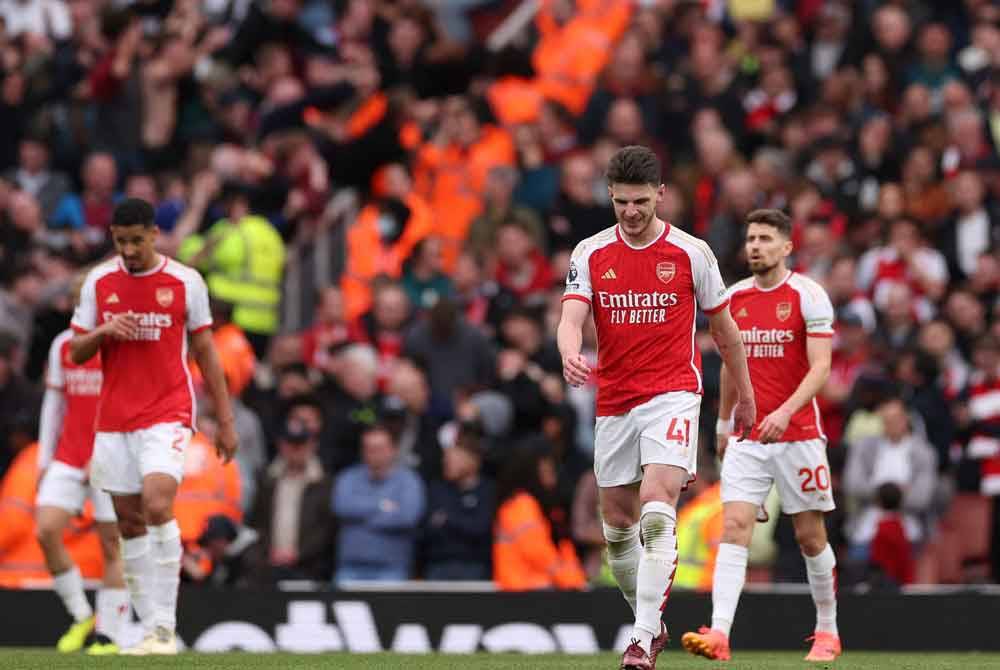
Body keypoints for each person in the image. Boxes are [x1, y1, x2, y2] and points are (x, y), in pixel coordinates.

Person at [558, 145, 755, 669]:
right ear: (610, 196)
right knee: (617, 531)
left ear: (661, 195)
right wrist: (568, 350)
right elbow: (572, 316)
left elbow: (726, 331)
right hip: (614, 401)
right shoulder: (590, 253)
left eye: (641, 201)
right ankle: (653, 622)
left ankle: (642, 638)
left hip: (672, 393)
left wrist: (746, 396)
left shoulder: (693, 253)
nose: (631, 212)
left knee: (656, 505)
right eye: (622, 202)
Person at [69, 198, 238, 655]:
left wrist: (224, 422)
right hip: (115, 418)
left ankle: (164, 626)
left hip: (166, 413)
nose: (128, 250)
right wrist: (104, 331)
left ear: (153, 235)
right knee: (128, 522)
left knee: (157, 503)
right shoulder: (99, 283)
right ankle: (146, 629)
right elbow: (77, 352)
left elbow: (206, 353)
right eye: (120, 241)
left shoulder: (186, 282)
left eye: (136, 240)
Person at [681, 209, 841, 662]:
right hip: (749, 437)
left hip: (799, 435)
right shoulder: (733, 299)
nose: (755, 245)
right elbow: (733, 365)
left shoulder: (808, 295)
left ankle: (827, 631)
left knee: (810, 536)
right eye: (751, 237)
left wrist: (786, 412)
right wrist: (723, 423)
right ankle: (719, 633)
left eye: (766, 238)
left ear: (786, 247)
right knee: (733, 528)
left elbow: (821, 366)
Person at [35, 285, 129, 655]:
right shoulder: (63, 345)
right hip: (69, 457)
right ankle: (80, 616)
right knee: (46, 530)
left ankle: (109, 634)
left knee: (112, 545)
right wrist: (45, 461)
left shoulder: (119, 345)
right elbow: (53, 403)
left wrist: (109, 450)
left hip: (110, 458)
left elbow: (128, 404)